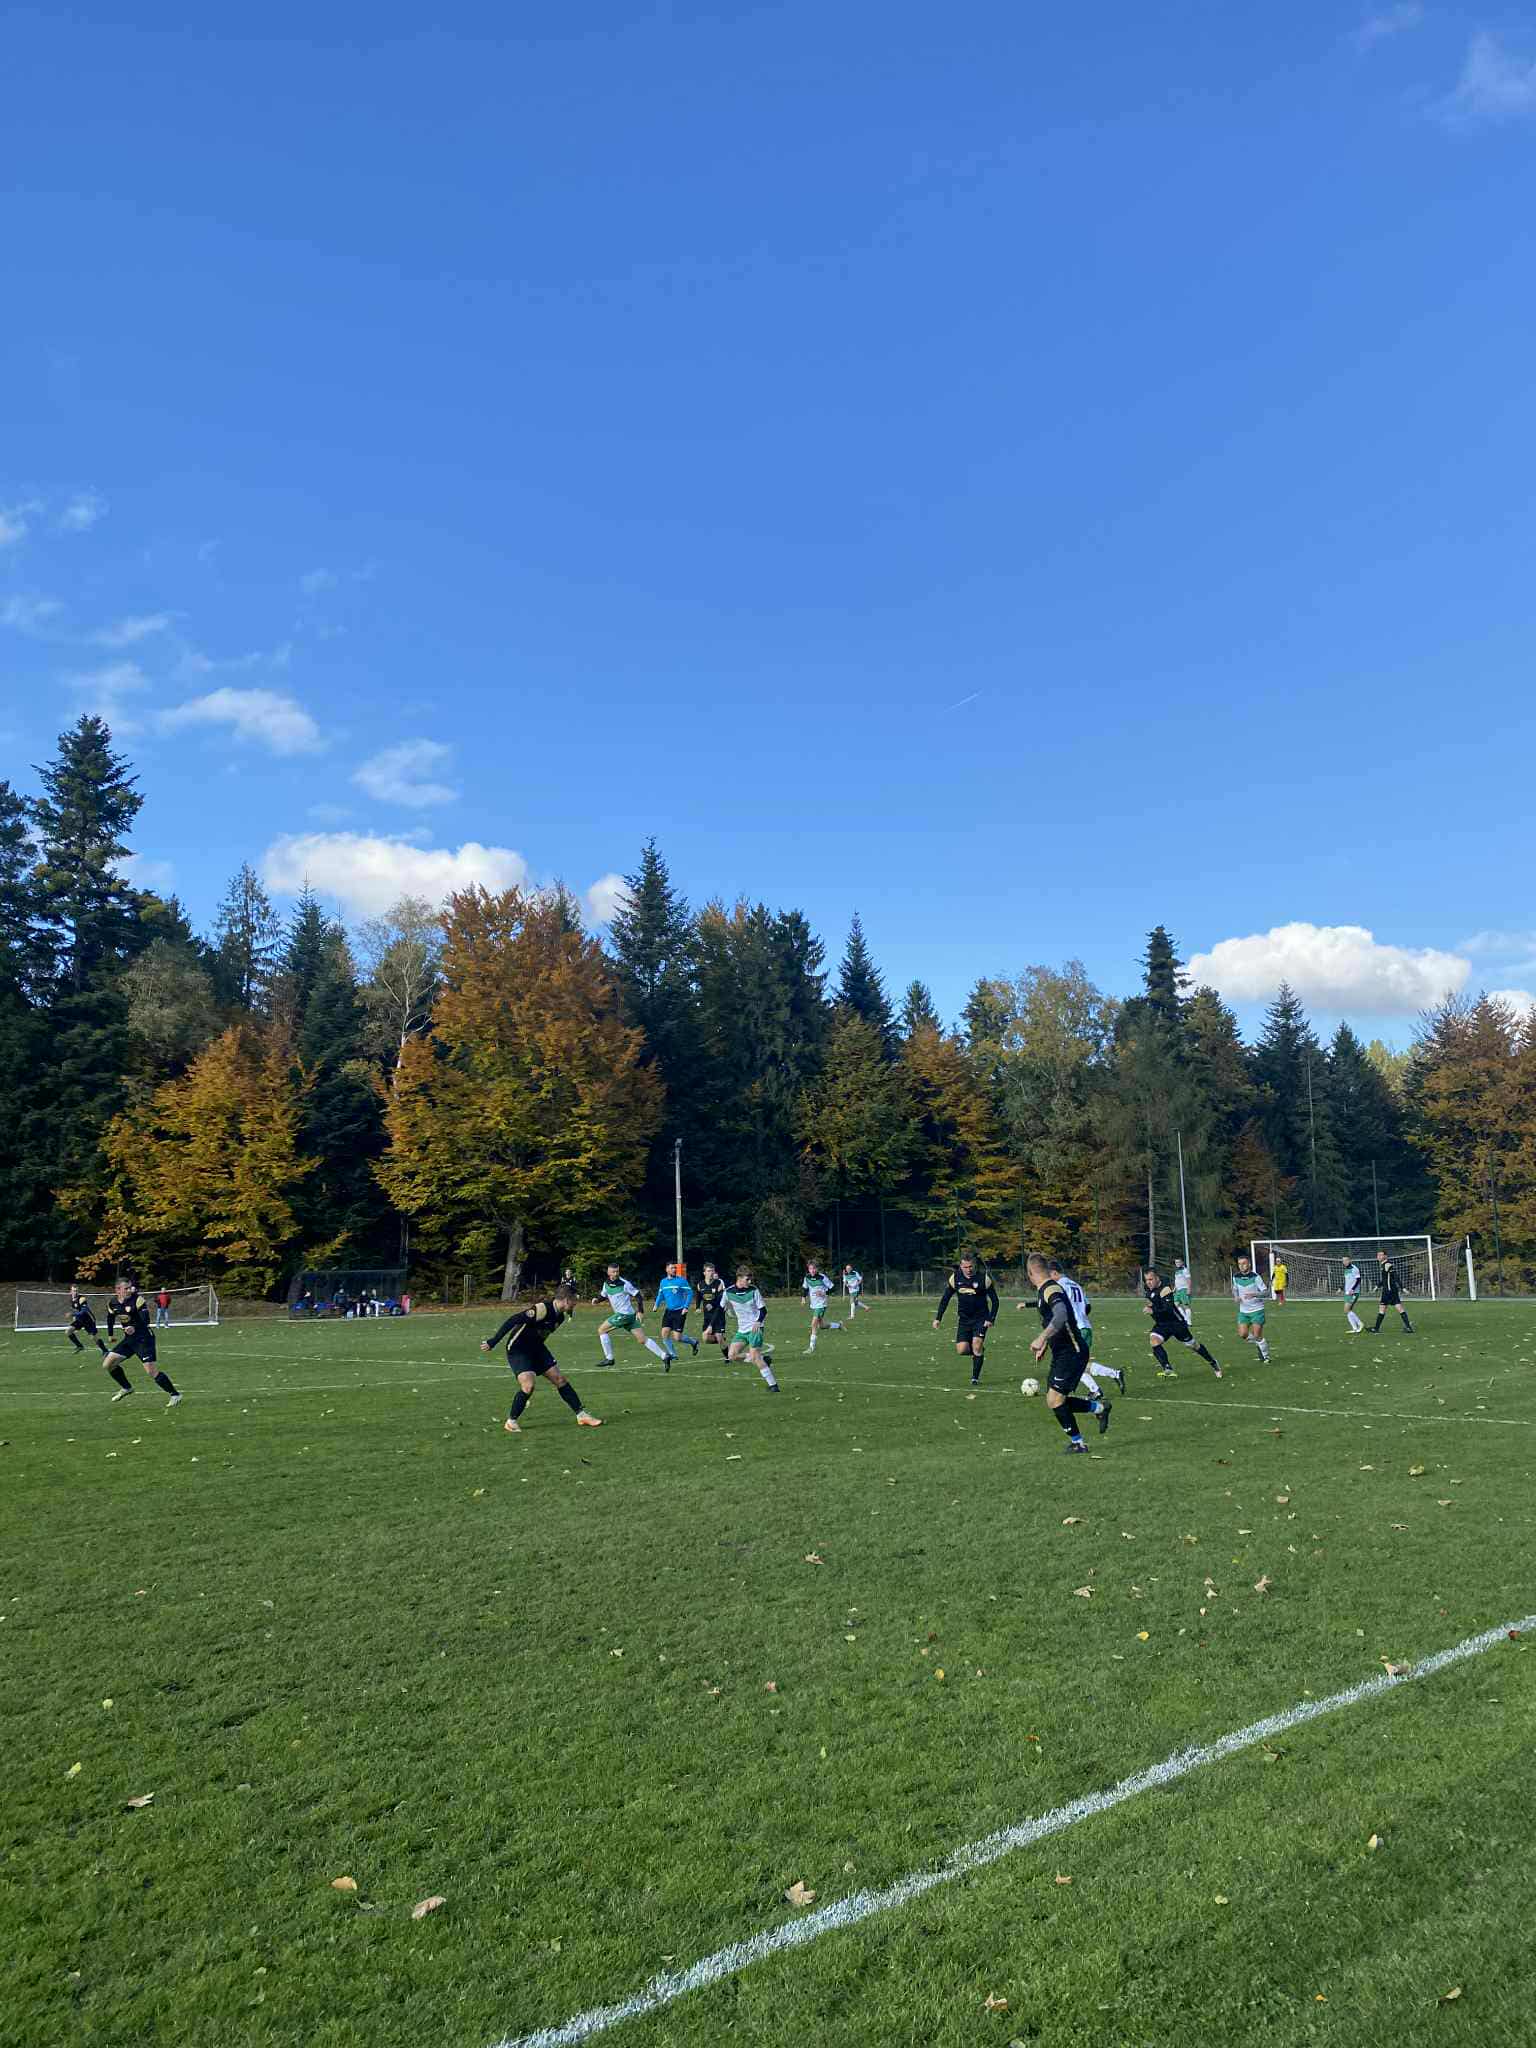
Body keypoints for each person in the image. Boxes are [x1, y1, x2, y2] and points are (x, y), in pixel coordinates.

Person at [481, 1286, 602, 1433]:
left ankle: (582, 1415)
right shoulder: (541, 1309)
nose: (575, 1304)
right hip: (518, 1349)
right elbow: (513, 1320)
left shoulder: (560, 1317)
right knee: (528, 1385)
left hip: (537, 1349)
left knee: (560, 1379)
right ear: (566, 1300)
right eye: (574, 1301)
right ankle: (511, 1422)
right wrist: (493, 1341)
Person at [1026, 1252, 1108, 1452]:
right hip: (1063, 1352)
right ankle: (1099, 1408)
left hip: (1072, 1352)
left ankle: (1078, 1443)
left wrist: (1041, 1338)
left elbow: (1061, 1315)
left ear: (1030, 1273)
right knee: (1054, 1399)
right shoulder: (1045, 1289)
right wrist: (1045, 1345)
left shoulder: (1050, 1289)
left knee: (1055, 1399)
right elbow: (1055, 1322)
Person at [1021, 1262, 1126, 1394]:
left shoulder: (1059, 1286)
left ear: (1054, 1273)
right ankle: (1102, 1385)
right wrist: (1080, 1315)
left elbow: (1054, 1306)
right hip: (1085, 1326)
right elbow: (1088, 1306)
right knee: (1076, 1363)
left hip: (1074, 1329)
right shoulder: (1076, 1285)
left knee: (1073, 1364)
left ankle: (1104, 1382)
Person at [102, 1278, 183, 1407]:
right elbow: (110, 1318)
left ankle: (175, 1395)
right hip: (129, 1340)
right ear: (118, 1290)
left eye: (130, 1288)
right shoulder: (112, 1303)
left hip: (144, 1338)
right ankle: (127, 1388)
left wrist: (133, 1327)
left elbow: (146, 1320)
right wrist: (110, 1334)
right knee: (108, 1364)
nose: (129, 1290)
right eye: (126, 1288)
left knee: (151, 1371)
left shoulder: (137, 1299)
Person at [933, 1252, 998, 1387]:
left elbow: (995, 1301)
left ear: (974, 1265)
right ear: (961, 1266)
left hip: (981, 1319)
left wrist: (991, 1318)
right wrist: (938, 1318)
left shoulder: (983, 1279)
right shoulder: (955, 1278)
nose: (969, 1269)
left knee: (976, 1344)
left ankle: (975, 1378)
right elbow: (945, 1298)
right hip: (964, 1319)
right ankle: (978, 1352)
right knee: (962, 1350)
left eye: (971, 1266)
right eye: (965, 1267)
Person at [1142, 1269, 1222, 1378]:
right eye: (1146, 1280)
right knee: (1154, 1341)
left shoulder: (1165, 1289)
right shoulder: (1148, 1290)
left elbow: (1168, 1310)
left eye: (1151, 1279)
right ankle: (1167, 1368)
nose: (1148, 1282)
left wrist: (1153, 1310)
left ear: (1157, 1278)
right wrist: (1151, 1308)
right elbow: (1151, 1304)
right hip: (1162, 1324)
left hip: (1176, 1324)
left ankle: (1213, 1362)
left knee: (1193, 1345)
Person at [591, 1264, 670, 1367]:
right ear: (608, 1272)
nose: (616, 1273)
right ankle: (664, 1356)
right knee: (642, 1339)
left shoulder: (624, 1284)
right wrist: (597, 1300)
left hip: (624, 1314)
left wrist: (640, 1311)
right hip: (629, 1316)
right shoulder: (606, 1284)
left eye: (617, 1271)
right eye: (614, 1272)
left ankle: (609, 1358)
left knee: (602, 1330)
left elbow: (638, 1295)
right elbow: (603, 1295)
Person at [721, 1267, 780, 1391]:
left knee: (755, 1357)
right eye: (747, 1279)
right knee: (732, 1356)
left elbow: (763, 1310)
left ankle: (773, 1386)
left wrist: (758, 1322)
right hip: (742, 1330)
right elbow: (720, 1309)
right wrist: (711, 1325)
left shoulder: (753, 1290)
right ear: (739, 1278)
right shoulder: (728, 1292)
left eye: (750, 1279)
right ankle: (763, 1359)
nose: (750, 1281)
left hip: (755, 1328)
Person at [653, 1263, 700, 1368]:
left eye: (675, 1268)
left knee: (677, 1337)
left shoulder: (681, 1281)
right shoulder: (663, 1282)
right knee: (664, 1333)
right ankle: (673, 1354)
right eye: (672, 1268)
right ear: (666, 1270)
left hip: (680, 1311)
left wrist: (686, 1307)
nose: (674, 1270)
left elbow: (690, 1293)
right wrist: (656, 1305)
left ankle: (693, 1342)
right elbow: (661, 1294)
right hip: (669, 1311)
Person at [1230, 1255, 1272, 1362]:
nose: (1241, 1266)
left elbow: (1266, 1293)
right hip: (1243, 1311)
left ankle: (1266, 1357)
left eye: (1244, 1263)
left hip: (1257, 1310)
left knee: (1257, 1335)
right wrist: (1236, 1296)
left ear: (1249, 1264)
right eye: (1239, 1264)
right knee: (1243, 1334)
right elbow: (1234, 1289)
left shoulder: (1256, 1277)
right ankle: (1260, 1343)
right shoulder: (1236, 1277)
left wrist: (1254, 1294)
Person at [801, 1260, 843, 1353]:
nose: (812, 1270)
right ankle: (838, 1325)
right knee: (822, 1326)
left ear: (817, 1269)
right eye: (810, 1268)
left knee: (813, 1324)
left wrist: (823, 1293)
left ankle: (811, 1347)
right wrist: (803, 1298)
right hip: (814, 1304)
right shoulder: (807, 1277)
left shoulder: (822, 1277)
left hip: (821, 1304)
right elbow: (805, 1288)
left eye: (814, 1268)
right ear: (808, 1269)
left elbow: (833, 1288)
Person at [1370, 1250, 1414, 1334]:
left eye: (1380, 1255)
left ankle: (1376, 1328)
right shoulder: (1383, 1265)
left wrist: (1403, 1287)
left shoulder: (1388, 1265)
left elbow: (1395, 1276)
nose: (1378, 1257)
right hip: (1390, 1290)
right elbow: (1385, 1279)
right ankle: (1408, 1327)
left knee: (1384, 1309)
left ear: (1385, 1256)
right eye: (1378, 1255)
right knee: (1396, 1308)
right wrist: (1377, 1286)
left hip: (1388, 1291)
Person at [66, 1285, 108, 1357]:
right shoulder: (71, 1300)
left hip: (88, 1320)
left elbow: (84, 1311)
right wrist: (74, 1320)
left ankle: (105, 1351)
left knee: (93, 1337)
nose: (75, 1292)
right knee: (68, 1331)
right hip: (80, 1320)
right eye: (74, 1291)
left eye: (77, 1291)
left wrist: (73, 1314)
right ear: (70, 1292)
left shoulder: (82, 1299)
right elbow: (77, 1310)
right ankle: (79, 1346)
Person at [698, 1262, 729, 1348]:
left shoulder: (719, 1284)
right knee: (705, 1338)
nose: (711, 1273)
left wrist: (712, 1304)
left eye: (712, 1271)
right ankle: (723, 1341)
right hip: (707, 1316)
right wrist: (697, 1307)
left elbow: (720, 1300)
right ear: (704, 1273)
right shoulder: (700, 1284)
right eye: (709, 1271)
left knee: (719, 1336)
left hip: (718, 1315)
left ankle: (728, 1353)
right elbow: (698, 1295)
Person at [1342, 1258, 1364, 1334]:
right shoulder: (1346, 1270)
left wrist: (1353, 1289)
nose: (1344, 1262)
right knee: (1348, 1310)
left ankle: (1360, 1324)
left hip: (1353, 1293)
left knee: (1346, 1309)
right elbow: (1347, 1281)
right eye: (1343, 1260)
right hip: (1347, 1293)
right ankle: (1354, 1328)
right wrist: (1341, 1288)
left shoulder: (1355, 1269)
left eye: (1346, 1260)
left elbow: (1358, 1280)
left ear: (1350, 1261)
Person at [1173, 1256, 1193, 1327]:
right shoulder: (1176, 1271)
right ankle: (1185, 1318)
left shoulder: (1185, 1270)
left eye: (1179, 1262)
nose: (1177, 1263)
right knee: (1175, 1304)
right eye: (1176, 1262)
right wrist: (1174, 1288)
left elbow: (1189, 1280)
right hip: (1178, 1290)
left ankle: (1189, 1322)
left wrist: (1189, 1289)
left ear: (1182, 1262)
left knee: (1186, 1305)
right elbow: (1177, 1280)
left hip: (1184, 1289)